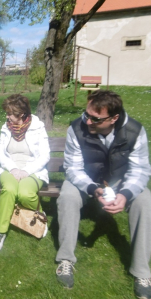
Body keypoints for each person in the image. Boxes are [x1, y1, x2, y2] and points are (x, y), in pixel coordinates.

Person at [55, 90, 151, 298]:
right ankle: (65, 260)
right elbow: (73, 168)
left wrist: (125, 194)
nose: (88, 121)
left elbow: (140, 170)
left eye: (95, 118)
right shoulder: (76, 128)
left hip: (122, 182)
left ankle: (142, 272)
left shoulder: (135, 131)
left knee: (145, 200)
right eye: (86, 114)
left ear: (114, 118)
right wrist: (92, 188)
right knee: (68, 196)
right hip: (88, 181)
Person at [0, 94, 50, 251]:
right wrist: (13, 169)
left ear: (22, 114)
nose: (7, 117)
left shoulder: (37, 127)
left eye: (10, 114)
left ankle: (39, 215)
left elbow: (45, 156)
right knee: (9, 190)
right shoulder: (6, 128)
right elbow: (1, 153)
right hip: (10, 169)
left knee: (25, 194)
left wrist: (26, 171)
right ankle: (0, 231)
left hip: (33, 169)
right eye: (7, 113)